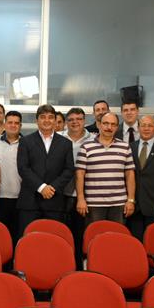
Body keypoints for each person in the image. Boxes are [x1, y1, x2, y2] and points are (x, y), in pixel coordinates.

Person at [17, 104, 74, 231]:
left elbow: (69, 169)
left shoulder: (65, 143)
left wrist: (52, 188)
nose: (47, 120)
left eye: (50, 117)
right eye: (43, 117)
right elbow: (23, 168)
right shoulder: (25, 141)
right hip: (30, 202)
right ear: (37, 120)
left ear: (55, 120)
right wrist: (42, 187)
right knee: (28, 241)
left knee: (53, 241)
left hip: (55, 201)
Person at [76, 112, 136, 225]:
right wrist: (80, 199)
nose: (109, 127)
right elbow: (80, 175)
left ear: (117, 127)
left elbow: (130, 175)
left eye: (113, 124)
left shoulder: (125, 147)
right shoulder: (86, 147)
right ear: (99, 125)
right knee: (94, 237)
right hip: (93, 204)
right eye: (106, 123)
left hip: (119, 204)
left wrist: (131, 200)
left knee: (117, 238)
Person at [61, 107, 93, 262]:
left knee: (81, 235)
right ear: (66, 122)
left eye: (79, 119)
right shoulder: (58, 138)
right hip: (62, 194)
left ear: (84, 121)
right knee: (62, 234)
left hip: (85, 196)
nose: (75, 122)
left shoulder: (94, 139)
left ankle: (80, 267)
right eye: (71, 119)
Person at [0, 111, 22, 242]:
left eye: (16, 123)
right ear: (4, 124)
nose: (13, 125)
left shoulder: (27, 143)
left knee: (17, 236)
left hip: (21, 199)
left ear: (20, 125)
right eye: (10, 122)